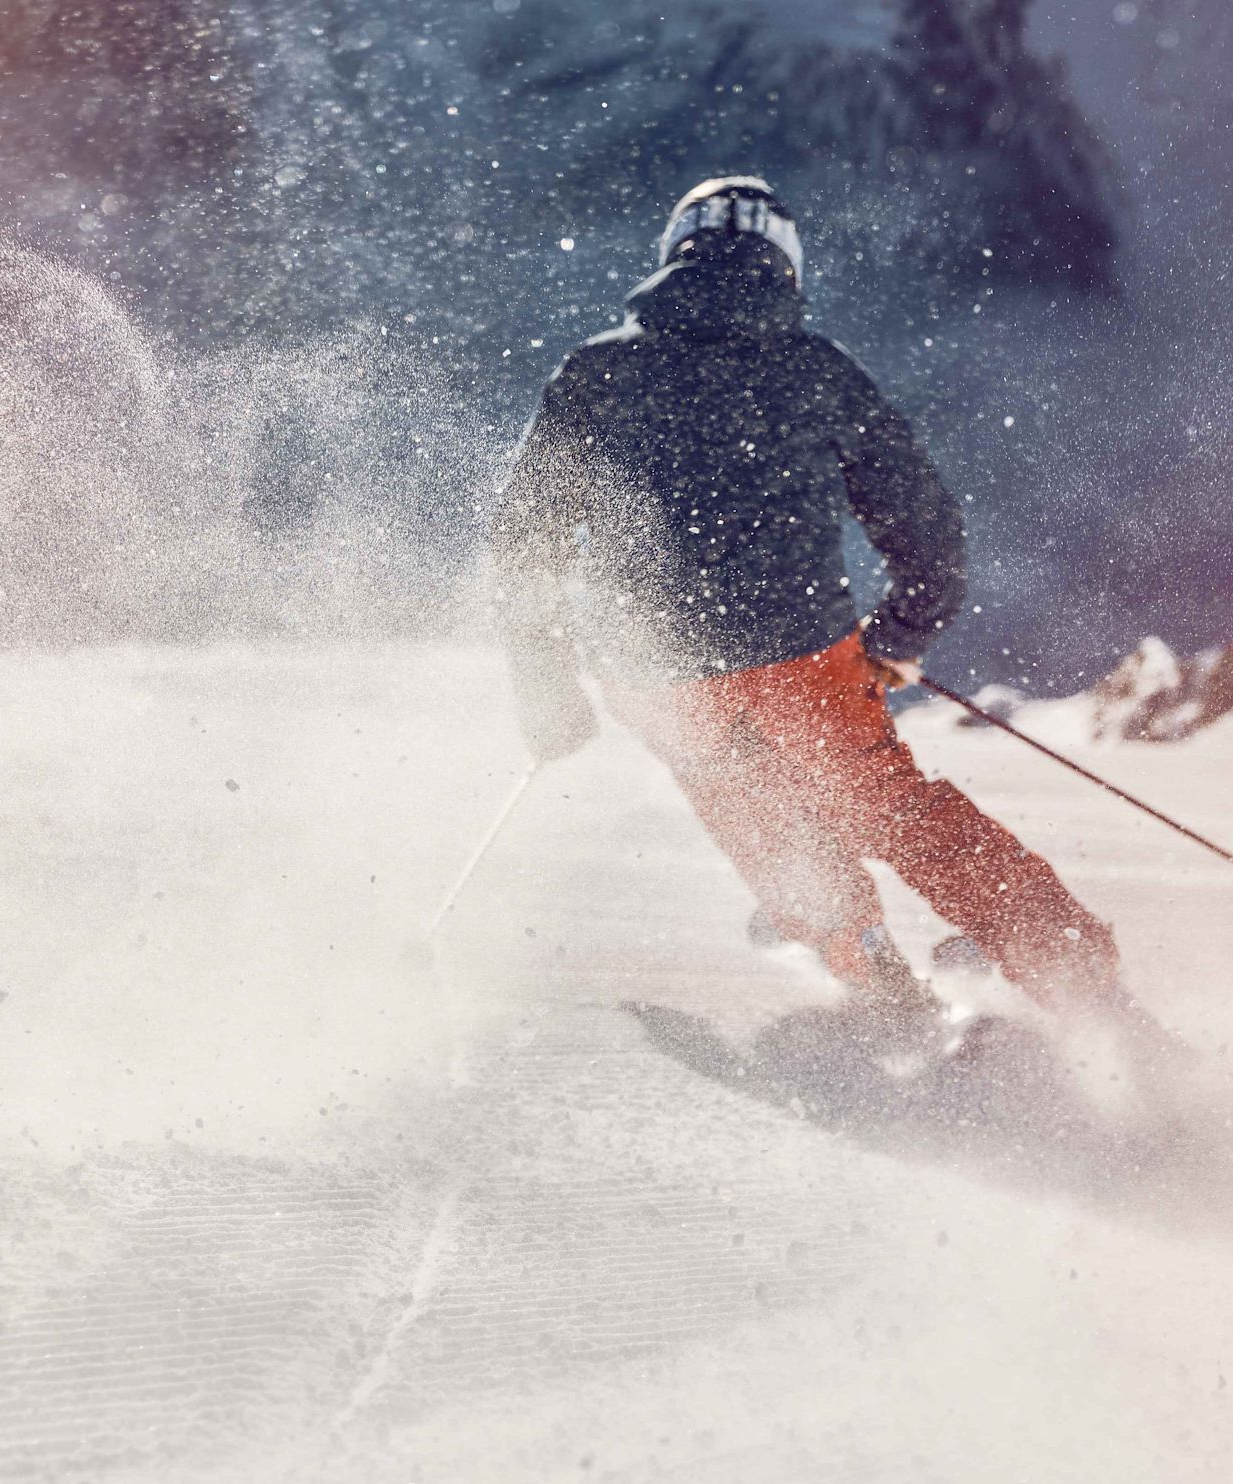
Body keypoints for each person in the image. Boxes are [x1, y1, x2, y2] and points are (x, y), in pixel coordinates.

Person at [492, 175, 1164, 1059]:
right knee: (896, 814)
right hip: (800, 655)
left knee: (753, 811)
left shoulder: (597, 370)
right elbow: (926, 521)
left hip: (653, 671)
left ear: (671, 256)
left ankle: (866, 959)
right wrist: (902, 633)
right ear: (784, 266)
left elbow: (522, 543)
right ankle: (1067, 967)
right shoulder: (812, 370)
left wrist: (546, 685)